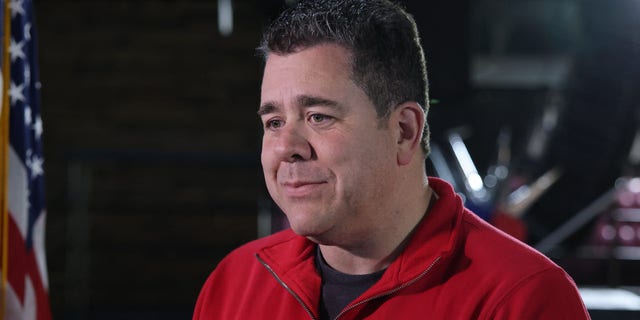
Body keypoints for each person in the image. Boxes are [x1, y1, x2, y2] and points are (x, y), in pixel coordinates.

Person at [193, 0, 591, 319]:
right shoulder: (236, 282)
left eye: (318, 117)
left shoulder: (522, 298)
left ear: (403, 130)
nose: (286, 148)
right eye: (274, 121)